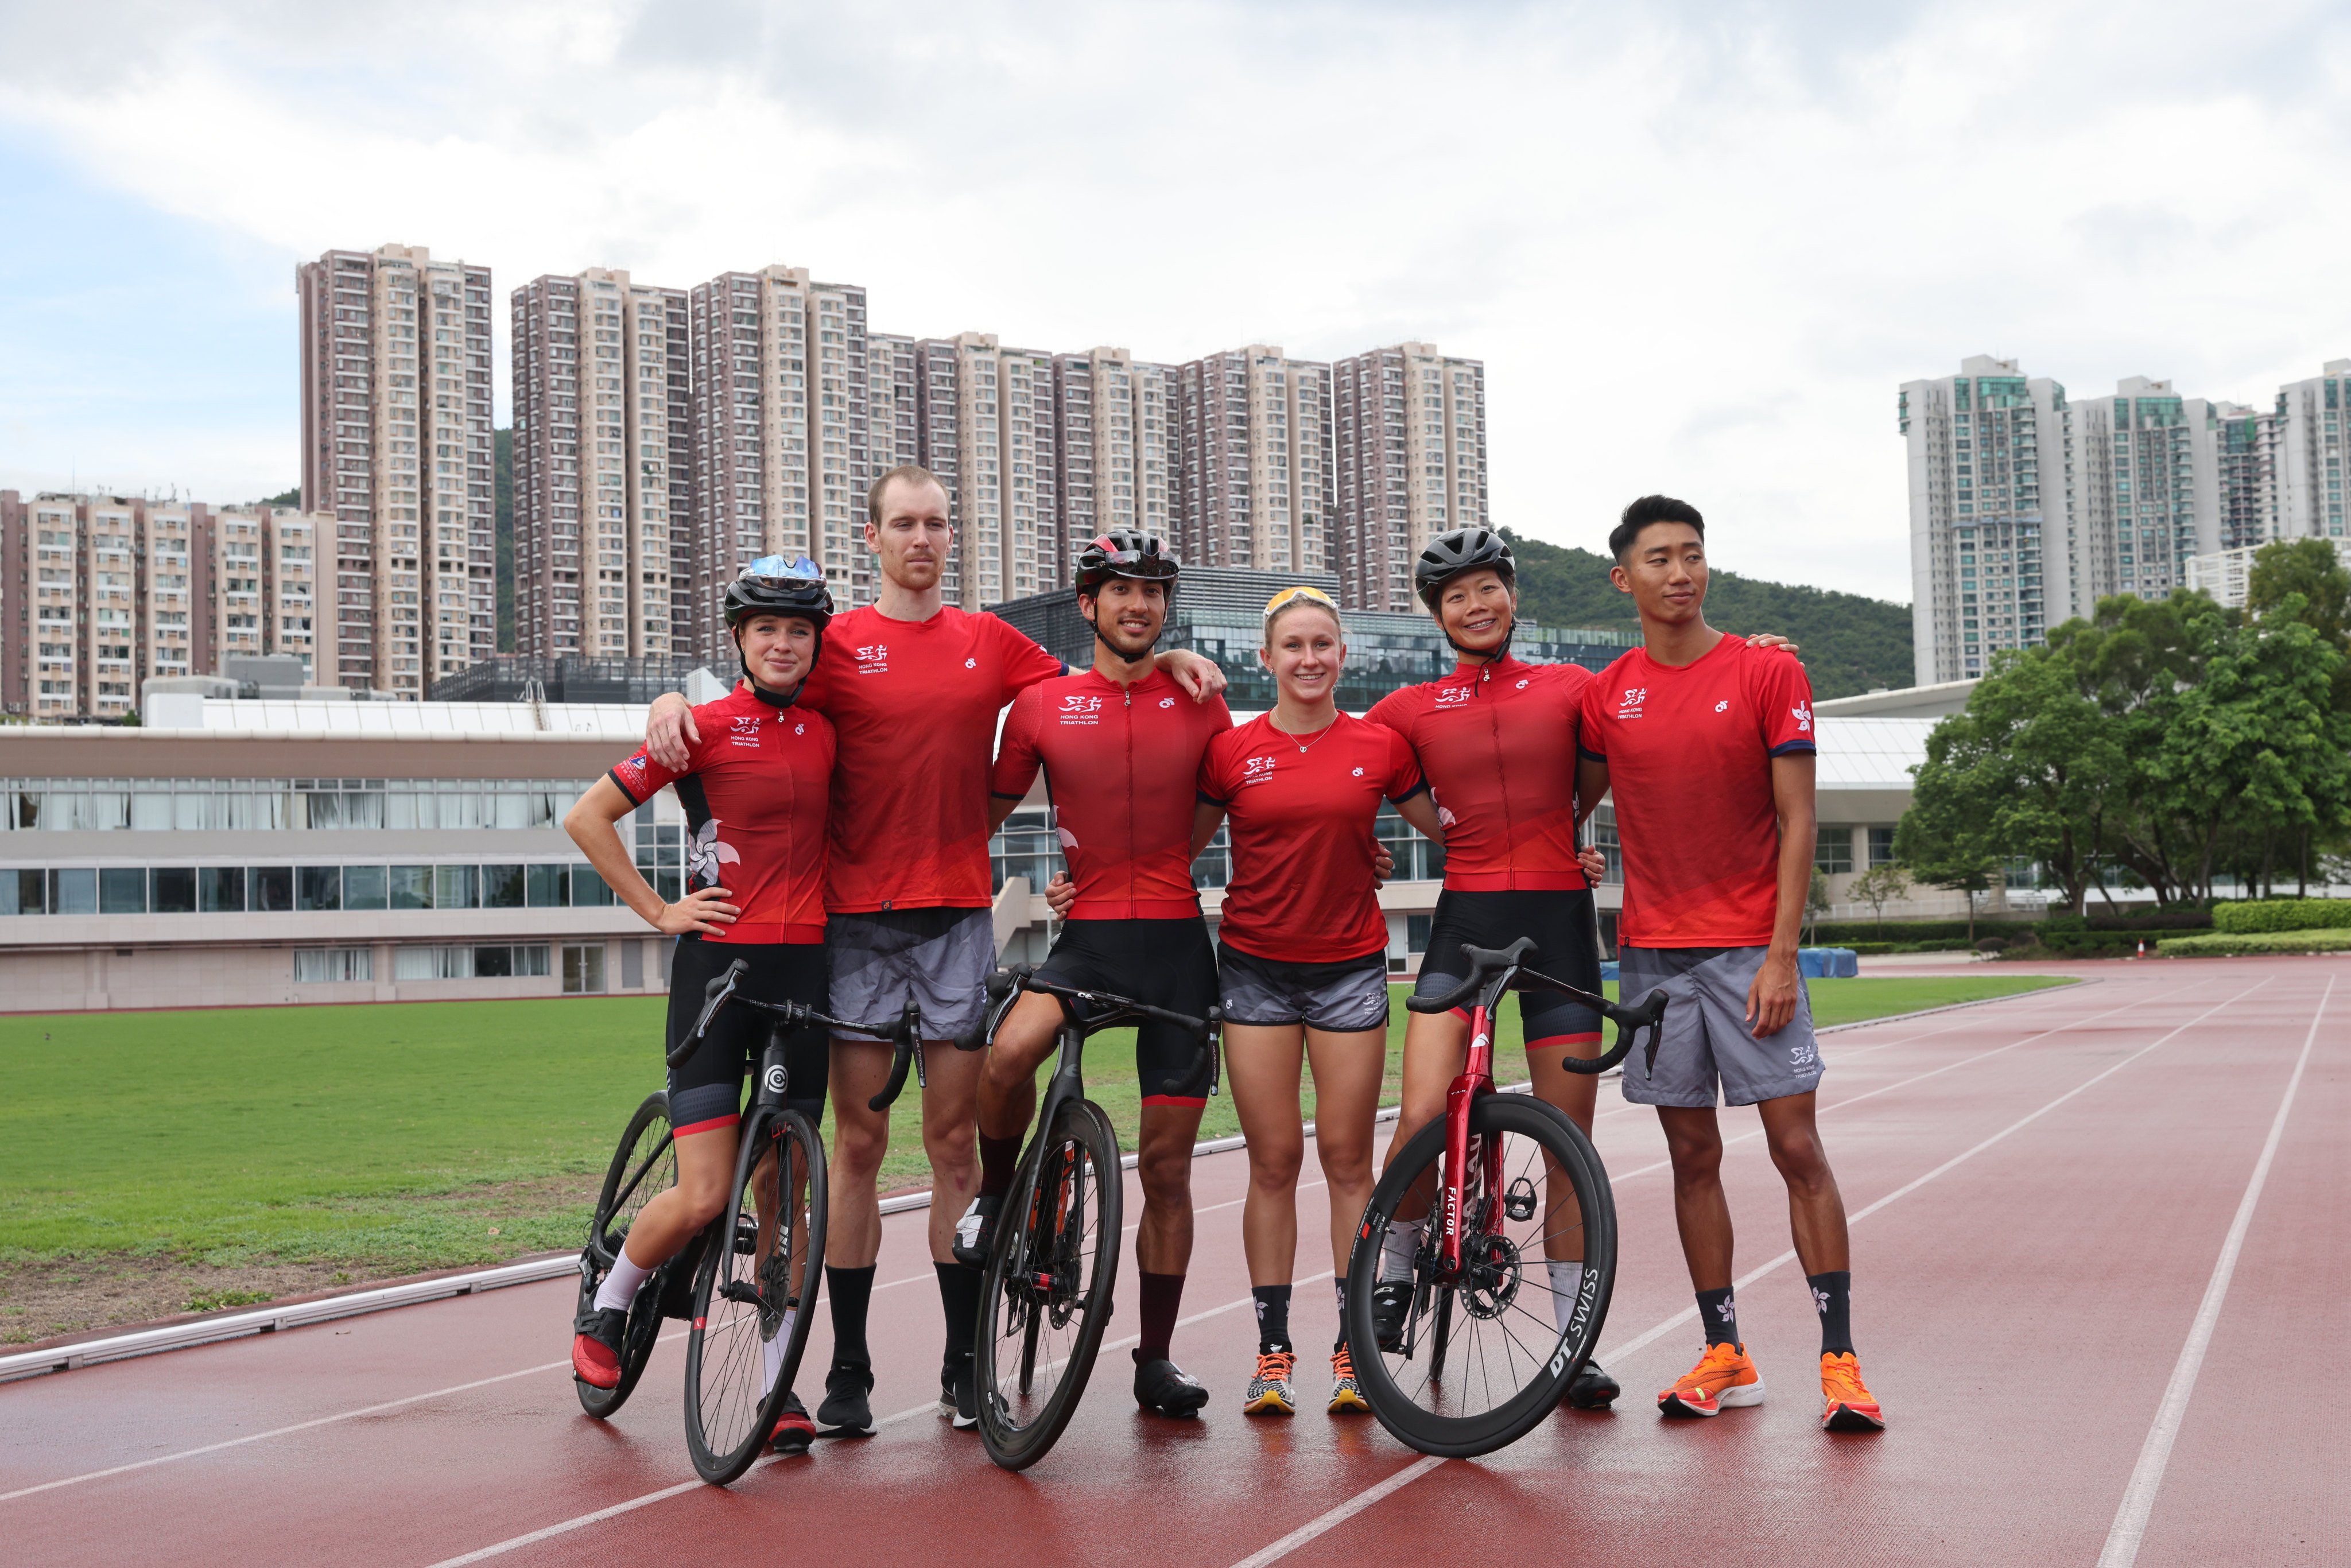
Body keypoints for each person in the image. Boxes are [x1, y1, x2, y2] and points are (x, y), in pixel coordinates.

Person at [638, 467, 1227, 1435]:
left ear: (953, 539)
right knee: (859, 1147)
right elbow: (757, 682)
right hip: (856, 924)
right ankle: (852, 1372)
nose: (923, 537)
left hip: (957, 919)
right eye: (904, 523)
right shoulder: (834, 645)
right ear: (872, 538)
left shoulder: (992, 643)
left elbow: (1089, 692)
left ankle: (962, 1367)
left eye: (938, 524)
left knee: (955, 1145)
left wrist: (1164, 665)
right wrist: (671, 695)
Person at [1365, 526, 1796, 1412]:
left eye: (1490, 589)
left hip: (1560, 926)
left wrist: (1761, 653)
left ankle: (1568, 1346)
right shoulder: (1405, 711)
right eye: (1456, 597)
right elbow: (1340, 769)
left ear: (1513, 596)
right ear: (1437, 615)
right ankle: (1395, 1276)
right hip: (1463, 923)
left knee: (1569, 1146)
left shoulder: (1577, 690)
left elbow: (1665, 700)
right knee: (1418, 1116)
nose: (1477, 606)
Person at [1575, 495, 1883, 1433]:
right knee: (1691, 1155)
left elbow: (1800, 822)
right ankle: (1727, 1354)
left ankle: (1840, 1361)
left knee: (1796, 1148)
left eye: (1694, 555)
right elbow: (1564, 799)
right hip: (1654, 958)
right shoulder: (1607, 692)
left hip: (1752, 948)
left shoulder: (1766, 669)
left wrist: (1783, 954)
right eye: (1660, 559)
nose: (1681, 573)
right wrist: (1575, 848)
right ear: (1624, 579)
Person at [956, 530, 1232, 1418]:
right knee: (1006, 1060)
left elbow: (1227, 807)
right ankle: (999, 1197)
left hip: (1177, 948)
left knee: (1167, 1167)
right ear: (1088, 605)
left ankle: (1154, 1359)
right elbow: (981, 812)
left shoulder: (1201, 699)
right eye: (1121, 591)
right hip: (1091, 941)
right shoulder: (1039, 706)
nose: (1139, 605)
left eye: (1154, 592)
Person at [565, 556, 837, 1455]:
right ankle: (609, 1308)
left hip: (808, 979)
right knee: (705, 1193)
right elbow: (587, 817)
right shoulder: (702, 728)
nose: (784, 643)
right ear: (738, 641)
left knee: (786, 1193)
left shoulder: (837, 727)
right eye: (767, 629)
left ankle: (774, 1385)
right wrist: (658, 911)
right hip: (717, 973)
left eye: (799, 630)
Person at [1194, 585, 1442, 1418]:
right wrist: (1074, 880)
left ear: (1344, 655)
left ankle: (1352, 1350)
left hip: (1348, 972)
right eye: (1292, 646)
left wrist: (1568, 850)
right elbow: (1166, 850)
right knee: (1271, 1164)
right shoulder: (1231, 752)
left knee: (1347, 1163)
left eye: (1323, 645)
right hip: (1255, 971)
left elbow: (1459, 828)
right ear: (1264, 661)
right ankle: (1273, 1354)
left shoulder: (1379, 746)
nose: (1308, 659)